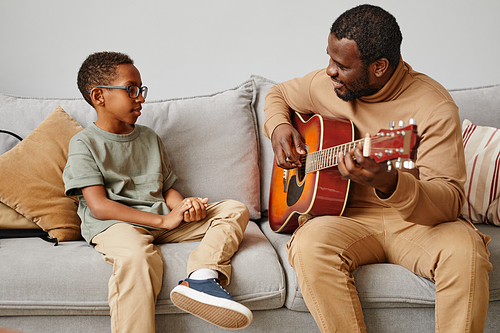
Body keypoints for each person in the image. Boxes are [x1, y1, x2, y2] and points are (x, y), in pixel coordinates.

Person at [263, 5, 491, 333]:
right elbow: (278, 93)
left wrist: (389, 182)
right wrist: (278, 128)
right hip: (345, 220)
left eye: (341, 65)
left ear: (379, 67)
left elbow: (449, 200)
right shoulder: (328, 85)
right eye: (329, 58)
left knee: (466, 251)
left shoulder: (433, 106)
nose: (329, 71)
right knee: (308, 245)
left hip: (415, 223)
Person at [63, 51, 252, 333]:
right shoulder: (84, 144)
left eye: (141, 89)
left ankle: (201, 277)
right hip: (115, 225)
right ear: (99, 96)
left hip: (161, 219)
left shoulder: (149, 137)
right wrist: (164, 220)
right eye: (131, 89)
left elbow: (165, 189)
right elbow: (99, 207)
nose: (140, 97)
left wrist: (184, 206)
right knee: (138, 258)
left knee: (234, 209)